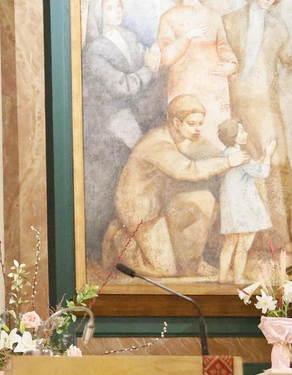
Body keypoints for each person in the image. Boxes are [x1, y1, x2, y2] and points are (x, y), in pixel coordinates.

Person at [105, 95, 244, 278]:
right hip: (141, 210)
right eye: (192, 123)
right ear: (177, 122)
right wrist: (227, 162)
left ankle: (192, 263)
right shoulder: (157, 142)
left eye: (200, 123)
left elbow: (215, 155)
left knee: (205, 201)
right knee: (165, 271)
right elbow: (187, 169)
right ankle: (123, 240)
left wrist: (239, 164)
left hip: (163, 202)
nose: (198, 129)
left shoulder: (188, 138)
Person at [222, 0, 292, 253]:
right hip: (235, 102)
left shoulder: (279, 28)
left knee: (273, 164)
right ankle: (245, 241)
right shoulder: (230, 21)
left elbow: (289, 59)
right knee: (241, 164)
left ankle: (280, 239)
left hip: (265, 104)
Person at [82, 0, 162, 255]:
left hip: (137, 114)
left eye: (119, 6)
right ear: (98, 14)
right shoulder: (94, 50)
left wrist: (152, 67)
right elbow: (122, 86)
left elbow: (148, 72)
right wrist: (149, 69)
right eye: (110, 7)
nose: (117, 11)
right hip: (110, 121)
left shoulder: (130, 38)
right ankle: (102, 245)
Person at [157, 0, 237, 145]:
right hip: (185, 82)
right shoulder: (169, 17)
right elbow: (165, 56)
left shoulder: (213, 16)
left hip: (214, 81)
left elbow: (222, 45)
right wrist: (187, 37)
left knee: (215, 133)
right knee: (187, 132)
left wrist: (231, 64)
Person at [216, 118, 275, 284]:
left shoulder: (226, 154)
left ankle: (222, 277)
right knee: (244, 244)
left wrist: (263, 157)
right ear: (233, 136)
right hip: (244, 206)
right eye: (241, 132)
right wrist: (268, 155)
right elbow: (261, 172)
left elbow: (254, 166)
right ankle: (238, 278)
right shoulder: (240, 156)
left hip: (231, 206)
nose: (245, 134)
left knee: (230, 242)